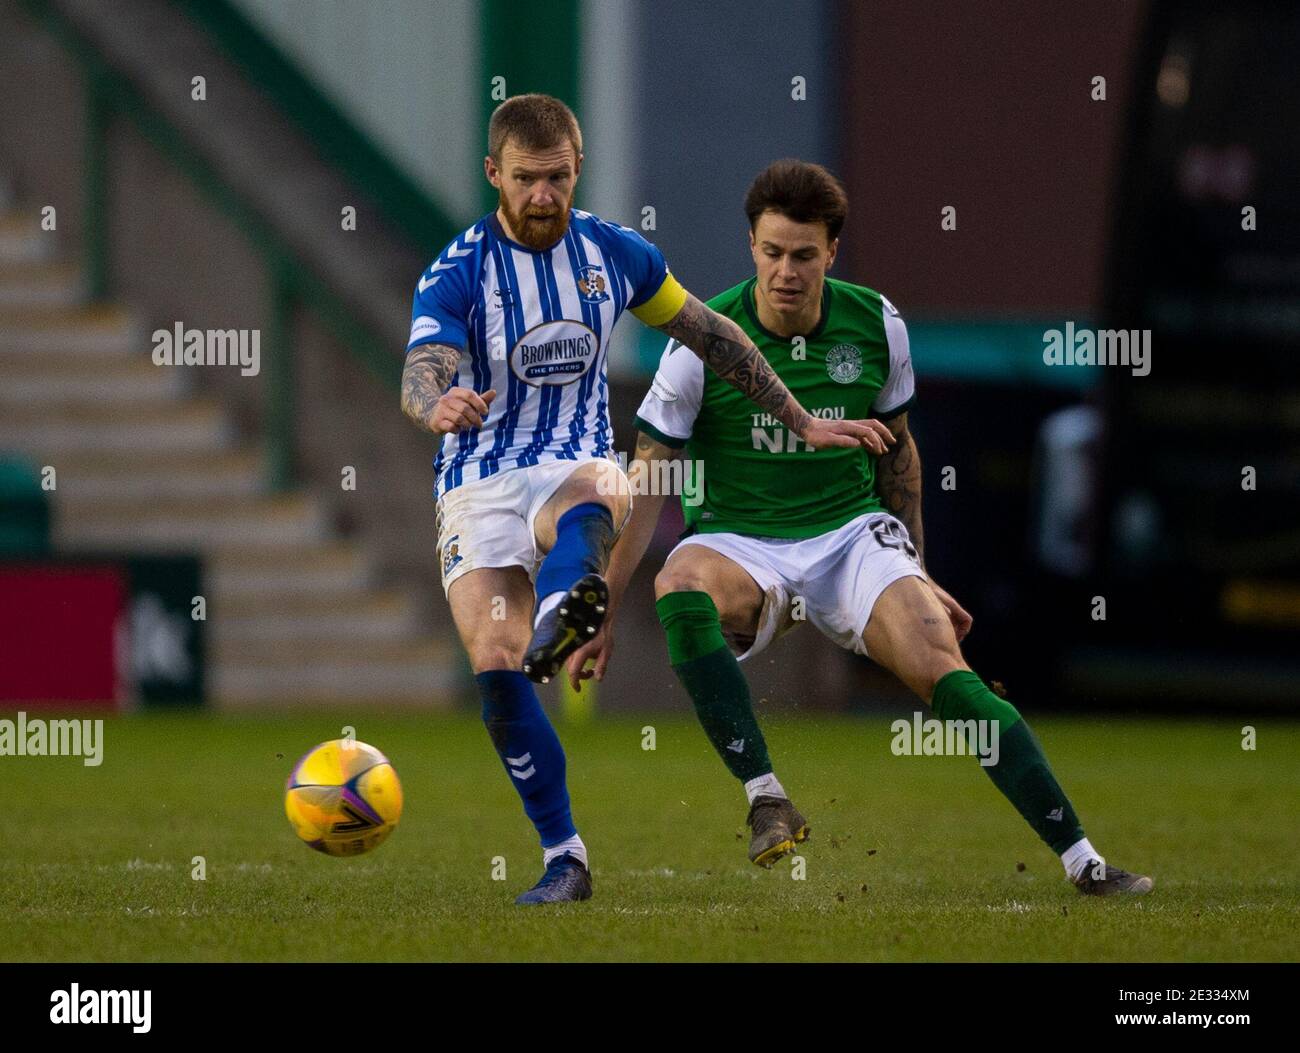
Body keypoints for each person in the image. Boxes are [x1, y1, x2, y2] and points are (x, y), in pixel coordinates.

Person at [569, 158, 1153, 897]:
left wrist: (918, 570)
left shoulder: (877, 324)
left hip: (851, 537)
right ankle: (766, 796)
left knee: (946, 669)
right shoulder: (702, 341)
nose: (786, 271)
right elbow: (650, 472)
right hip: (740, 543)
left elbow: (899, 451)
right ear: (751, 245)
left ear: (831, 252)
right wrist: (605, 607)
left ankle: (1084, 860)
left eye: (804, 255)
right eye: (773, 252)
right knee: (679, 581)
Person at [400, 103, 886, 904]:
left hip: (577, 463)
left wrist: (799, 416)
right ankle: (567, 858)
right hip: (478, 479)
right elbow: (424, 364)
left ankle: (569, 600)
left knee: (600, 487)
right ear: (495, 176)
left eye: (558, 176)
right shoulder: (459, 268)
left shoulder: (614, 254)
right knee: (496, 664)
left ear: (577, 168)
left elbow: (714, 335)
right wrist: (436, 405)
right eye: (526, 179)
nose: (544, 194)